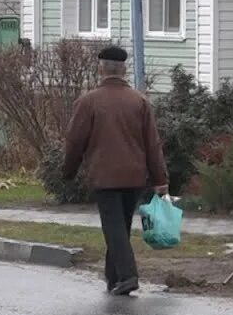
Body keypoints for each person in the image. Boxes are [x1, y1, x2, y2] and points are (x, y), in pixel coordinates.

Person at [63, 46, 168, 296]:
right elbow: (152, 143)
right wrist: (160, 179)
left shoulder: (89, 102)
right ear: (123, 69)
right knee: (120, 226)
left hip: (105, 176)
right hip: (134, 177)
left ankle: (129, 275)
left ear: (100, 69)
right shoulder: (139, 101)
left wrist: (68, 171)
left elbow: (74, 141)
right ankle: (113, 278)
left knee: (113, 228)